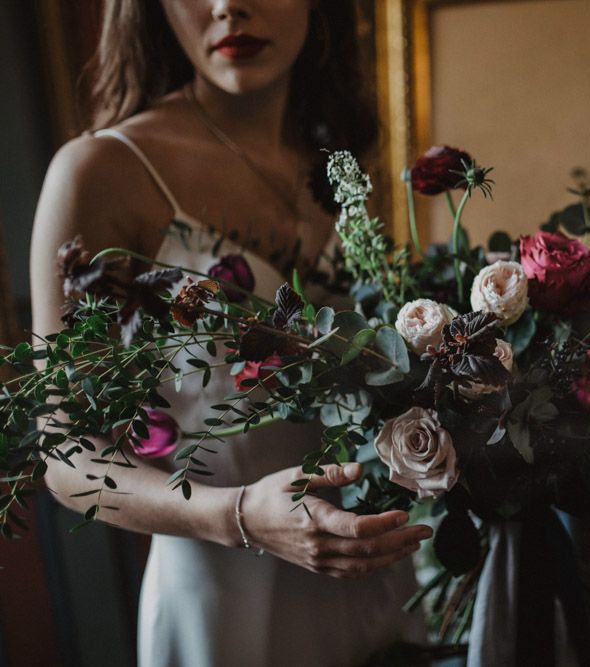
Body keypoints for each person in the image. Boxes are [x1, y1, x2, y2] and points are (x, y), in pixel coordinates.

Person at [30, 2, 430, 665]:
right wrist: (238, 514)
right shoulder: (101, 172)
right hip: (223, 607)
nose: (227, 5)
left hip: (375, 582)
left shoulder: (342, 159)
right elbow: (67, 455)